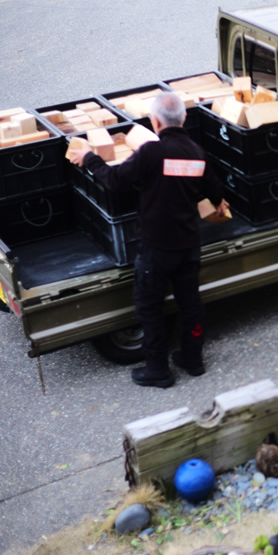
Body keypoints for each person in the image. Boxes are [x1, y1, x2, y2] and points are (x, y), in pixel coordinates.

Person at [69, 92, 229, 388]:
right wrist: (219, 203)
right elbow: (213, 188)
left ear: (155, 121)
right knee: (191, 305)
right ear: (184, 118)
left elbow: (114, 180)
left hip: (157, 248)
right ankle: (192, 359)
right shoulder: (196, 152)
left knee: (149, 307)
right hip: (187, 245)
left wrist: (89, 157)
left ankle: (158, 369)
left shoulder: (153, 152)